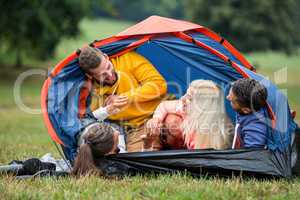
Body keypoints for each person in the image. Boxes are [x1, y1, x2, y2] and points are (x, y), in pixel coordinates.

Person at [78, 46, 167, 152]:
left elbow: (159, 85)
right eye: (103, 75)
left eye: (108, 67)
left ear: (106, 57)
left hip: (160, 114)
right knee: (138, 162)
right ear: (90, 75)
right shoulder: (89, 90)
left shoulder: (128, 59)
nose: (110, 75)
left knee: (175, 122)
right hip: (134, 129)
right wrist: (108, 109)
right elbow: (90, 119)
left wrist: (125, 97)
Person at [145, 80, 234, 151]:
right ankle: (157, 148)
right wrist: (156, 119)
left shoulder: (207, 135)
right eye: (185, 94)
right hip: (186, 141)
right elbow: (164, 106)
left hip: (200, 148)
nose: (182, 98)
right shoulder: (184, 108)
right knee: (171, 120)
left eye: (190, 98)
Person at [226, 78, 268, 148]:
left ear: (246, 110)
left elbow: (250, 156)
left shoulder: (255, 131)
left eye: (232, 101)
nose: (227, 97)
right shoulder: (246, 109)